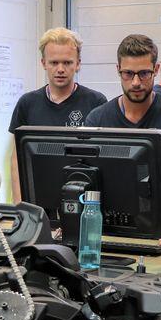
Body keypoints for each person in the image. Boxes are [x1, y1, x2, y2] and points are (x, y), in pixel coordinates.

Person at [86, 34, 161, 209]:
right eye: (128, 74)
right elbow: (89, 179)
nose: (136, 82)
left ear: (156, 69)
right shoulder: (97, 119)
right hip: (111, 218)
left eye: (144, 73)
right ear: (118, 70)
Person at [9, 28, 106, 202]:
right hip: (38, 197)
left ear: (78, 64)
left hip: (83, 196)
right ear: (43, 63)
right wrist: (19, 204)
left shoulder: (96, 102)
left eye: (67, 63)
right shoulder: (27, 103)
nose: (60, 69)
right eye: (54, 62)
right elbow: (17, 159)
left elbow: (105, 159)